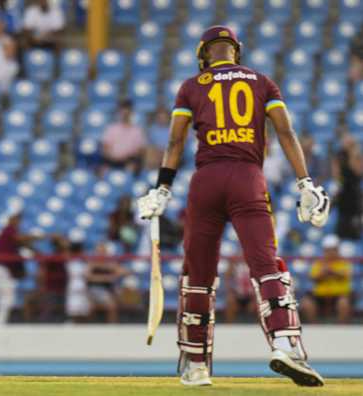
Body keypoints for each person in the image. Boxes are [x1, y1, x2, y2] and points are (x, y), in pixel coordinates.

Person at [137, 26, 329, 387]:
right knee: (265, 264)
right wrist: (306, 182)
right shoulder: (262, 81)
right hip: (247, 178)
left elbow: (176, 141)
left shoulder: (191, 86)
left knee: (198, 273)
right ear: (235, 51)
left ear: (204, 54)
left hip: (205, 181)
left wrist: (162, 188)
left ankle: (196, 365)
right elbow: (286, 133)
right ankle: (285, 344)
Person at [300, 235, 353, 323]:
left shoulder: (344, 263)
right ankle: (314, 327)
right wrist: (323, 273)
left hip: (339, 295)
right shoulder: (318, 264)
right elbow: (313, 278)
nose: (331, 253)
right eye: (328, 250)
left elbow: (346, 275)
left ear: (337, 251)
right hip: (320, 295)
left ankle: (342, 328)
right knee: (306, 303)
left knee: (343, 303)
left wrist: (332, 272)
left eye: (333, 250)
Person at [85, 242, 128, 323]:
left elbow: (124, 272)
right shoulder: (93, 262)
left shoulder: (109, 262)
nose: (101, 253)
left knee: (121, 297)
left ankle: (113, 325)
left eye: (103, 251)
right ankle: (92, 325)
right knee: (111, 305)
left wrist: (113, 273)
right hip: (95, 288)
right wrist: (104, 278)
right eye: (99, 251)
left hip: (109, 289)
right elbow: (87, 276)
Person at [101, 99, 148, 173]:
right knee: (103, 170)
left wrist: (127, 156)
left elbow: (140, 150)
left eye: (127, 112)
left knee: (131, 168)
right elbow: (105, 148)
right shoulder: (111, 128)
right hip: (112, 160)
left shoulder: (137, 130)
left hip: (129, 161)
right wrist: (113, 157)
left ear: (131, 113)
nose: (125, 114)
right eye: (123, 112)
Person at [332, 133, 362, 240]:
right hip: (343, 194)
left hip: (355, 194)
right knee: (342, 225)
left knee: (355, 226)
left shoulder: (357, 155)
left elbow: (358, 171)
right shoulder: (339, 156)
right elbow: (336, 175)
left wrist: (352, 153)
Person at [224, 257, 256, 323]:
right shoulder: (234, 265)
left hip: (251, 295)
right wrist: (231, 293)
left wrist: (254, 296)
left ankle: (260, 327)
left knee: (259, 304)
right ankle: (229, 326)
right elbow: (227, 278)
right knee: (230, 303)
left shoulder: (253, 265)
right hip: (238, 295)